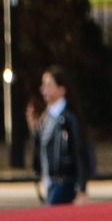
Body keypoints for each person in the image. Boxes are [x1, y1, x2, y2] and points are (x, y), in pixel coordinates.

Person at [31, 67, 94, 206]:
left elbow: (79, 151)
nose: (44, 90)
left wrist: (81, 187)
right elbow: (41, 149)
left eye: (48, 85)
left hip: (65, 181)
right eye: (43, 85)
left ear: (61, 89)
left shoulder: (68, 118)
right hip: (50, 181)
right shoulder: (46, 117)